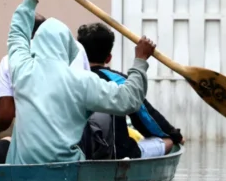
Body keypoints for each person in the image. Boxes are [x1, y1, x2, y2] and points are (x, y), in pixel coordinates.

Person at [4, 0, 157, 165]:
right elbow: (129, 100)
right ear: (68, 48)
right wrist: (140, 61)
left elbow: (17, 31)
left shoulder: (21, 69)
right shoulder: (81, 82)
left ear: (37, 44)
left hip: (21, 169)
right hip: (66, 170)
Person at [77, 22, 184, 159]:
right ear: (109, 58)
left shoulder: (71, 79)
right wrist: (175, 135)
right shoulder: (119, 81)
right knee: (168, 141)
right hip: (118, 154)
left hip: (79, 153)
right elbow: (147, 117)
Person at [0, 13, 90, 133]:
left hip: (37, 134)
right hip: (78, 130)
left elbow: (5, 115)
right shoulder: (77, 48)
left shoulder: (10, 59)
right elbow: (88, 92)